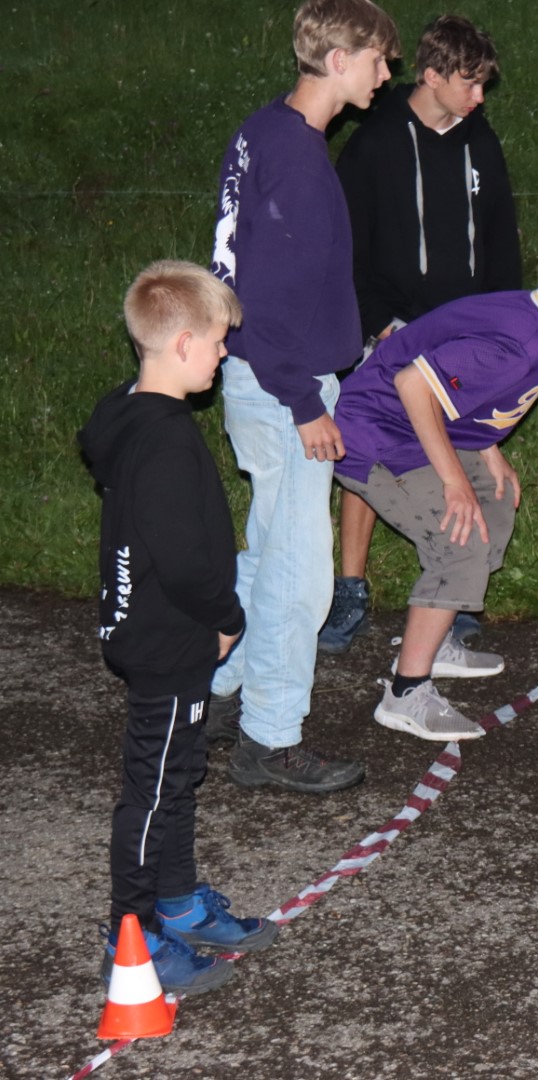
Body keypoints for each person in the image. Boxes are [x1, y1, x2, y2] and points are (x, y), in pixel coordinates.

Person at [331, 236, 538, 741]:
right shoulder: (520, 345)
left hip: (419, 429)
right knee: (460, 541)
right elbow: (414, 384)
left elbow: (467, 388)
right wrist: (453, 480)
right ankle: (405, 693)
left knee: (494, 505)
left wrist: (487, 447)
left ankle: (436, 641)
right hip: (373, 437)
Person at [207, 0, 400, 794]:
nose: (387, 74)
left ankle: (217, 692)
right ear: (340, 59)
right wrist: (305, 400)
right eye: (380, 59)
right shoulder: (297, 159)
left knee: (268, 547)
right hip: (279, 381)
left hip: (257, 372)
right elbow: (269, 295)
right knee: (300, 573)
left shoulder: (265, 129)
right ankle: (270, 737)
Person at [78, 261, 280, 995]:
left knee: (178, 772)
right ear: (185, 344)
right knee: (152, 789)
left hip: (160, 630)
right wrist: (227, 617)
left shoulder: (127, 411)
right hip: (171, 637)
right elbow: (184, 557)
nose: (225, 354)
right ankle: (131, 939)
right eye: (220, 342)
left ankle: (178, 901)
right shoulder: (164, 441)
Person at [321, 13, 522, 655]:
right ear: (431, 75)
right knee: (373, 449)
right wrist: (381, 323)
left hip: (462, 335)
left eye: (484, 83)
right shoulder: (375, 143)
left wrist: (501, 321)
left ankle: (454, 591)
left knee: (456, 444)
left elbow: (501, 239)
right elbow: (347, 249)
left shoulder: (479, 141)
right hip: (389, 327)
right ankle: (350, 587)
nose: (479, 96)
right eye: (469, 83)